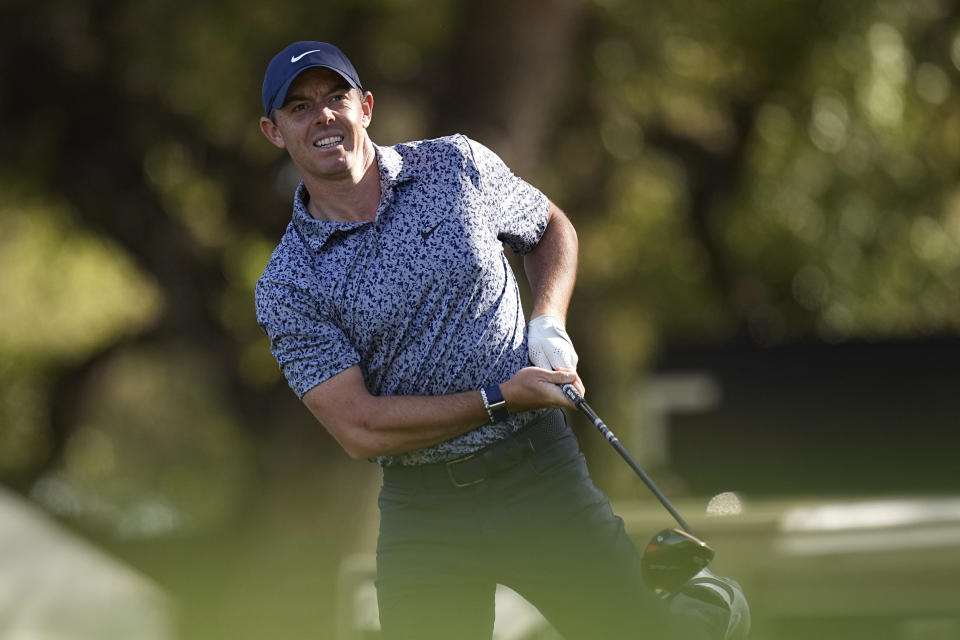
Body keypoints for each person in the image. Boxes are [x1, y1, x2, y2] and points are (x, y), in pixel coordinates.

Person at [254, 41, 726, 640]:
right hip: (423, 510)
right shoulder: (288, 283)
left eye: (335, 97)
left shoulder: (454, 167)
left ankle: (703, 614)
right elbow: (359, 426)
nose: (323, 116)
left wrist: (548, 319)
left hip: (537, 474)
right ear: (273, 131)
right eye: (299, 107)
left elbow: (549, 225)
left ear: (365, 107)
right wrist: (503, 395)